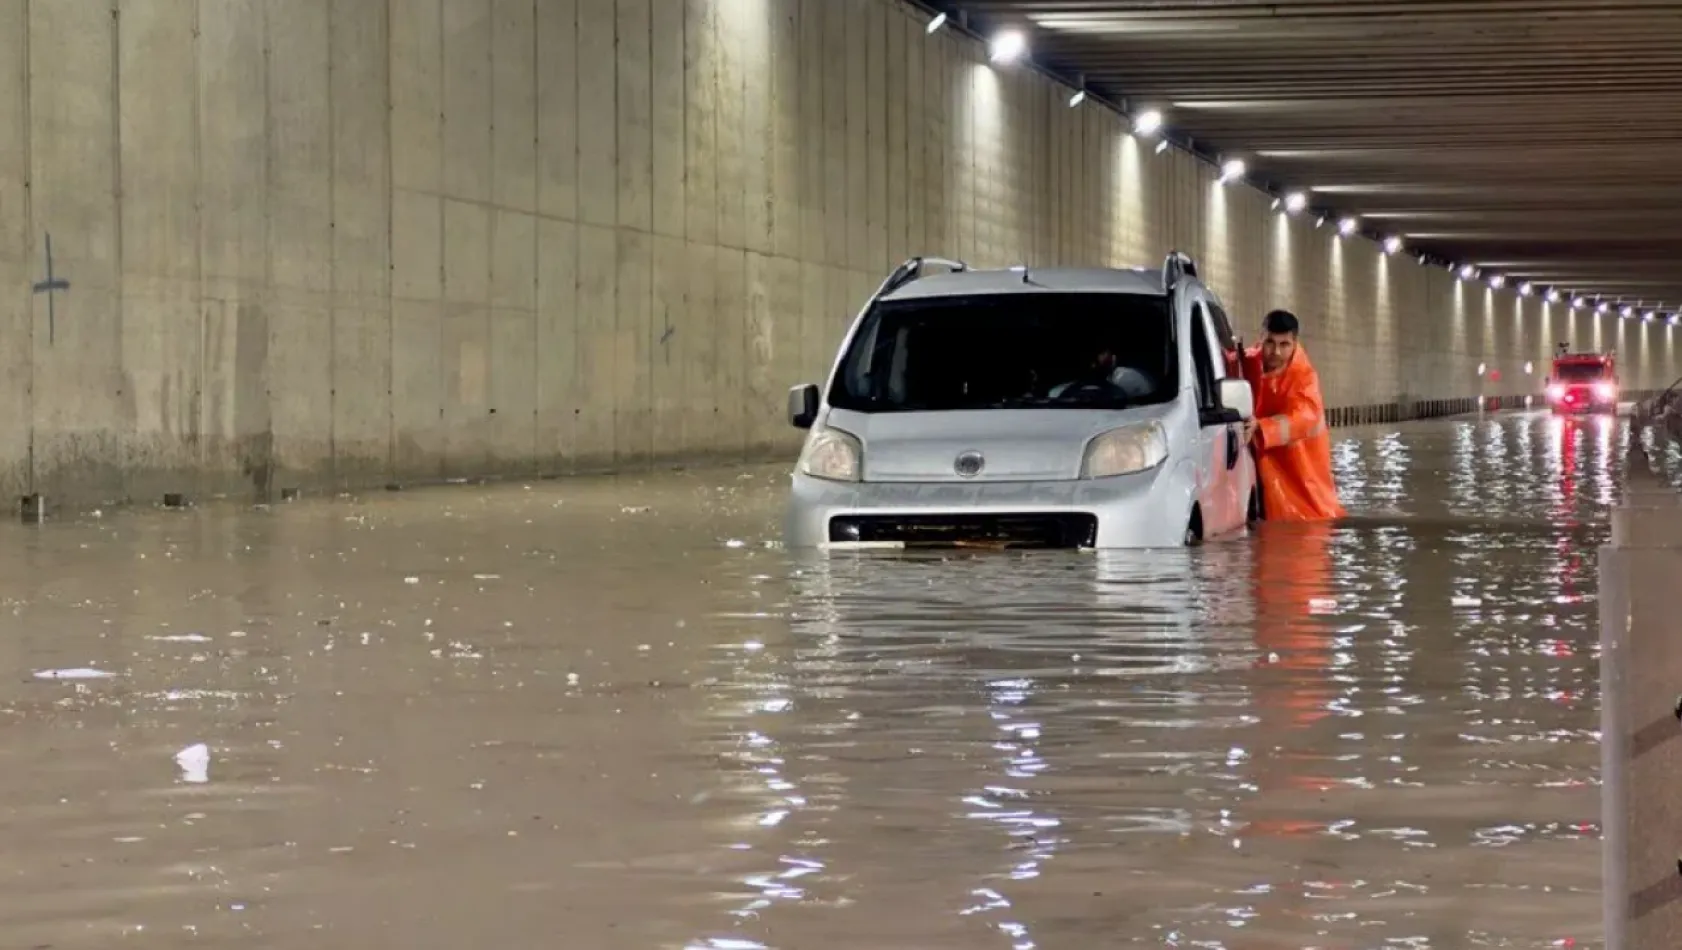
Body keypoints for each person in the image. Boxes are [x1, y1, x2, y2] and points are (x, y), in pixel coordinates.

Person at [1240, 310, 1345, 521]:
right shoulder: (1249, 361)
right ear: (1261, 338)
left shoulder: (1304, 377)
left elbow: (1305, 417)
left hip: (1301, 467)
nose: (1276, 352)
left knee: (1307, 517)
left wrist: (1262, 426)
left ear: (1294, 343)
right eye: (1270, 342)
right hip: (1264, 458)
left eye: (1284, 344)